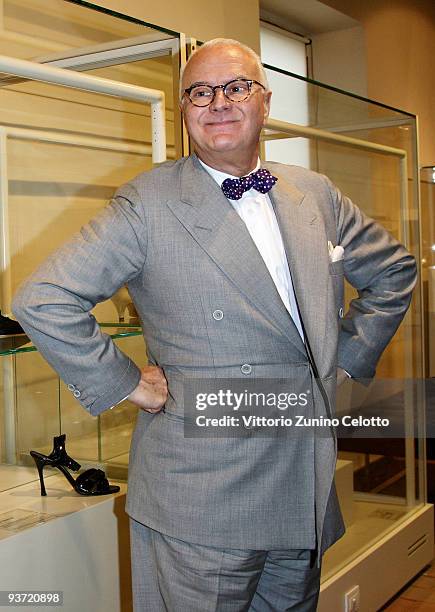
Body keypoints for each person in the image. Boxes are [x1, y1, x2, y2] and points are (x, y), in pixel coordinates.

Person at [12, 38, 417, 611]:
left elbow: (395, 271)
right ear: (184, 109)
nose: (218, 102)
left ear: (266, 102)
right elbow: (44, 299)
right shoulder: (148, 202)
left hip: (302, 479)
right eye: (199, 92)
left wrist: (345, 360)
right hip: (204, 492)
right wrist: (126, 382)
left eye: (236, 87)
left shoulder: (314, 193)